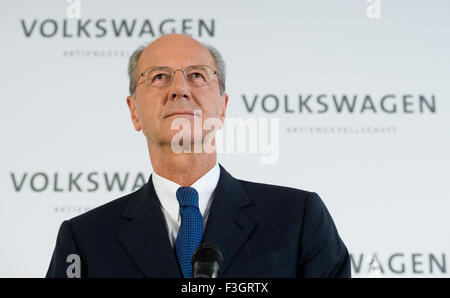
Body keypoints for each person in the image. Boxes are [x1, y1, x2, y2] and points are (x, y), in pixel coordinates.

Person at [46, 34, 350, 278]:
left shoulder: (298, 218)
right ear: (134, 112)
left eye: (196, 75)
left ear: (222, 107)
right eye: (159, 76)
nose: (179, 89)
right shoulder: (84, 240)